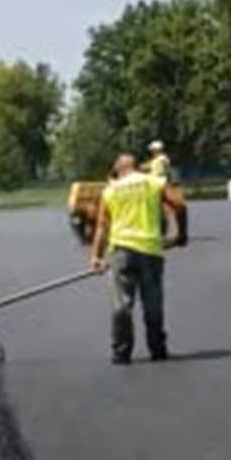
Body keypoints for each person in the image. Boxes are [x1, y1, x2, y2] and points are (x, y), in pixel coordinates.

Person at [90, 153, 188, 365]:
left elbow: (101, 226)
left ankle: (121, 352)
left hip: (121, 251)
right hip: (150, 251)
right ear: (136, 168)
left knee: (122, 305)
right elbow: (179, 205)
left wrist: (96, 256)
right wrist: (181, 235)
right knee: (152, 303)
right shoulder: (153, 182)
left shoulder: (110, 190)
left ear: (118, 170)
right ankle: (158, 349)